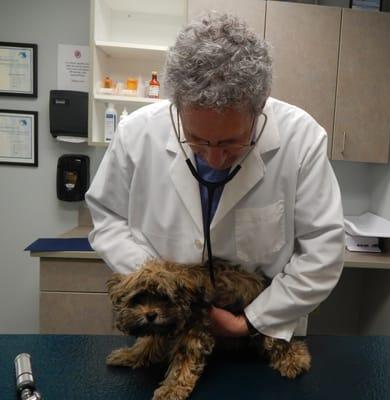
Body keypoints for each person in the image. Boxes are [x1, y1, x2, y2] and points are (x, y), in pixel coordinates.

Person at [85, 12, 345, 342]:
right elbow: (106, 217)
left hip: (262, 333)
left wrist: (251, 321)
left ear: (260, 107)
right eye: (198, 140)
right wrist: (159, 280)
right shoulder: (136, 134)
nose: (215, 157)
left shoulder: (302, 139)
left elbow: (324, 250)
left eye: (231, 142)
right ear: (176, 107)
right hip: (166, 326)